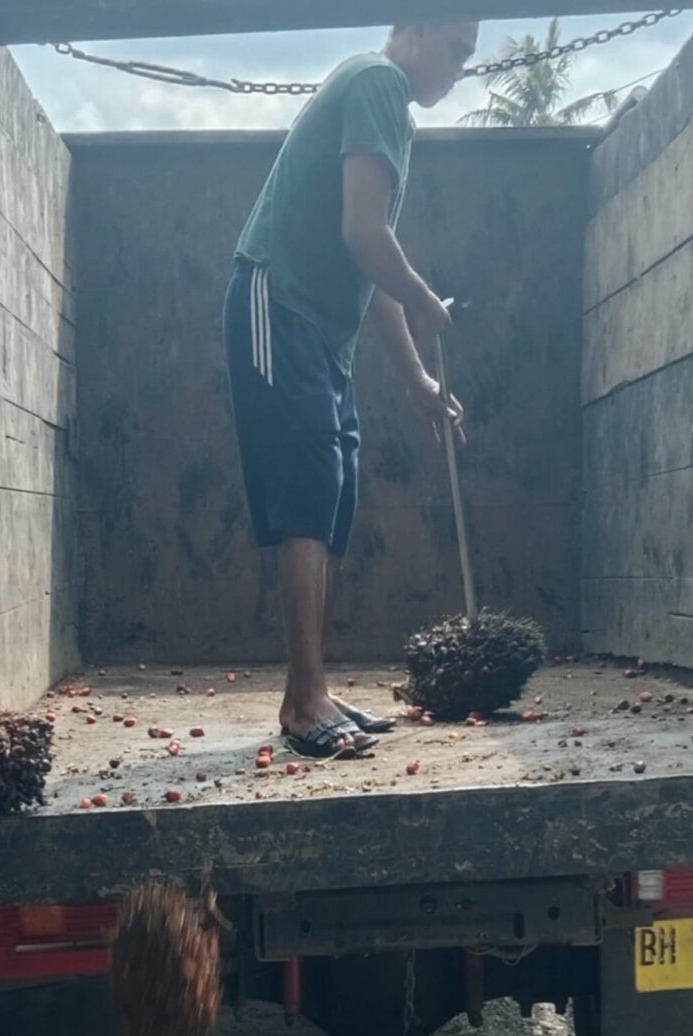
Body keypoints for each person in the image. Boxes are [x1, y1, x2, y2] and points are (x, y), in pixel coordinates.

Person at [226, 20, 478, 760]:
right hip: (280, 301)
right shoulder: (377, 80)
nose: (461, 65)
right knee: (307, 488)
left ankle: (314, 690)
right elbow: (365, 234)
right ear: (414, 28)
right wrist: (432, 301)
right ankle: (304, 703)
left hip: (324, 331)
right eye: (457, 45)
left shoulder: (391, 114)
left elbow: (374, 261)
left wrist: (419, 380)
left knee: (332, 490)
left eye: (471, 53)